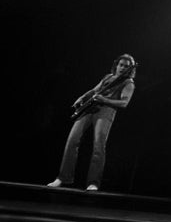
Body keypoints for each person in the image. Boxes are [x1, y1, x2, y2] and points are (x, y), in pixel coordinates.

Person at [47, 54, 137, 191]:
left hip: (106, 111)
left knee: (98, 145)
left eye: (126, 66)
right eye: (121, 65)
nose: (123, 68)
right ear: (116, 65)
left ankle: (93, 182)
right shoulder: (108, 77)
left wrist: (104, 100)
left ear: (130, 69)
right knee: (72, 140)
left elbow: (124, 103)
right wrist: (82, 97)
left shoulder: (128, 83)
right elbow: (95, 90)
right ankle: (62, 178)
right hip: (90, 108)